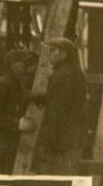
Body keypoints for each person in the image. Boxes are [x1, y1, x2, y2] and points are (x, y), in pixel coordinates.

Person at [32, 37, 90, 174]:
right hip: (71, 138)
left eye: (53, 51)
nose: (50, 55)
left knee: (59, 181)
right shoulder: (73, 71)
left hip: (64, 141)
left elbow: (57, 110)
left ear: (63, 54)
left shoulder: (62, 75)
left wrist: (48, 142)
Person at [0, 49, 30, 174]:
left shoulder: (18, 83)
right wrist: (17, 123)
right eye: (22, 62)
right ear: (13, 65)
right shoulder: (2, 85)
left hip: (8, 142)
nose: (25, 66)